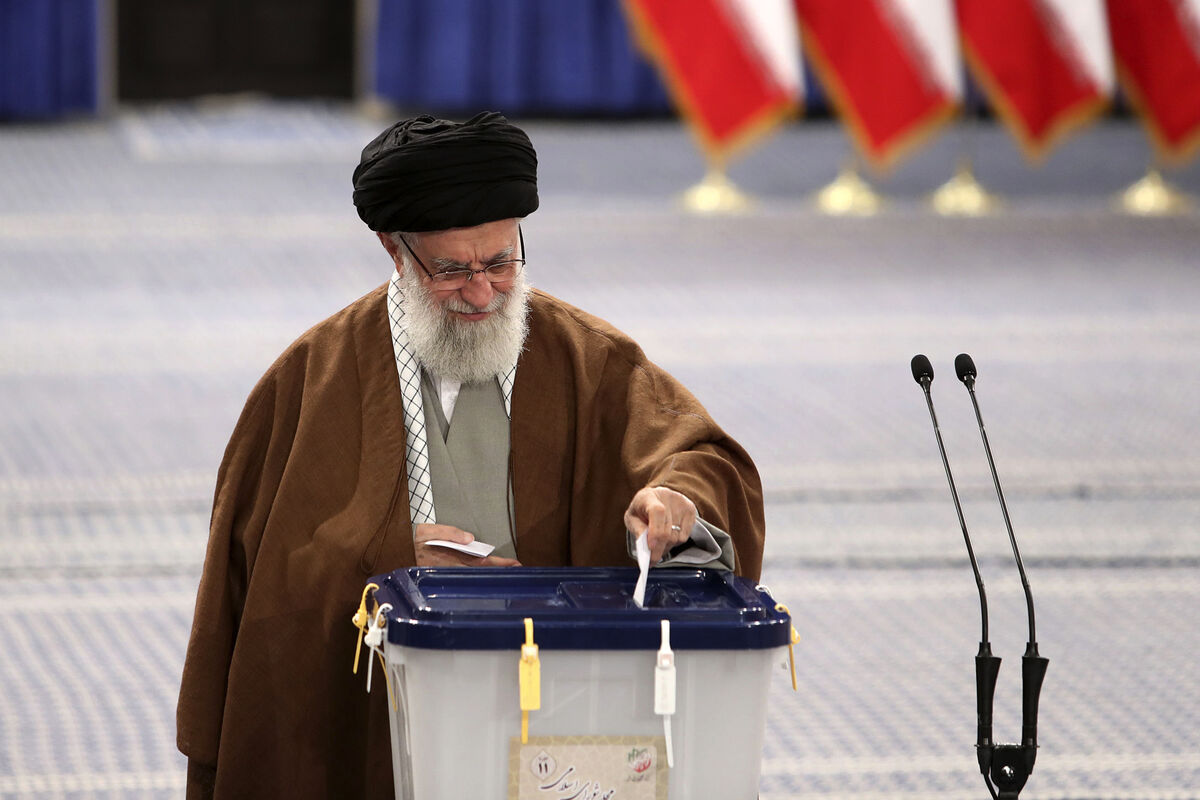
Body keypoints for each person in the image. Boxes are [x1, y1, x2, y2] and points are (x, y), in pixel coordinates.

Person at [176, 112, 765, 799]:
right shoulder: (309, 382)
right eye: (453, 270)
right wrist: (386, 556)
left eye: (501, 262)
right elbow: (263, 586)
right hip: (378, 730)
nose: (483, 292)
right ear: (394, 250)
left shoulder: (588, 359)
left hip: (561, 717)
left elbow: (698, 455)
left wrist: (676, 502)